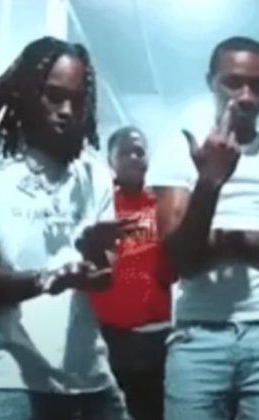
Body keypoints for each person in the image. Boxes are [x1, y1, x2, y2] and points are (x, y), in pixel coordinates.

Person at [0, 37, 132, 419]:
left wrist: (95, 256)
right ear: (24, 92)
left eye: (77, 100)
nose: (67, 111)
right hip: (0, 375)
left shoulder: (93, 173)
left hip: (87, 375)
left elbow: (102, 277)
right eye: (54, 96)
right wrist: (45, 280)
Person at [151, 36, 259, 420]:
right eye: (233, 83)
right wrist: (210, 181)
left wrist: (227, 241)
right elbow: (181, 259)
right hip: (196, 334)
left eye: (258, 85)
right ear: (210, 81)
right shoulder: (176, 152)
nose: (247, 96)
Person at [88, 126, 175, 419]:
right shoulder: (98, 203)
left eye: (140, 151)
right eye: (126, 152)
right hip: (107, 334)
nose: (134, 157)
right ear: (110, 159)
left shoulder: (162, 204)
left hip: (156, 333)